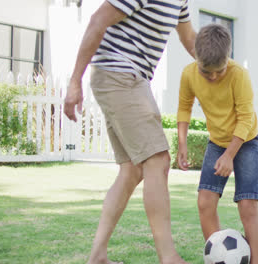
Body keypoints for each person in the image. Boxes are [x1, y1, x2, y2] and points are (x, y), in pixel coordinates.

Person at [63, 1, 196, 263]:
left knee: (131, 170)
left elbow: (190, 38)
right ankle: (169, 257)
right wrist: (74, 81)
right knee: (157, 160)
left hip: (132, 78)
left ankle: (98, 256)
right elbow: (97, 20)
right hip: (119, 73)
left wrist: (221, 66)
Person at [176, 24, 258, 264]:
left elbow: (246, 118)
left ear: (229, 57)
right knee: (205, 203)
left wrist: (229, 155)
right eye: (207, 72)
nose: (213, 77)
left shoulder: (239, 74)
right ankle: (219, 259)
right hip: (217, 142)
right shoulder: (188, 74)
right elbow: (184, 108)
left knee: (247, 205)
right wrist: (181, 144)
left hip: (246, 142)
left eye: (219, 70)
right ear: (196, 57)